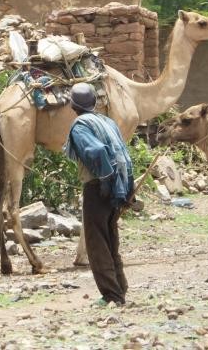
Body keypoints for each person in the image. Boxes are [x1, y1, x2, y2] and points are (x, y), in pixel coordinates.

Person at [63, 83, 134, 306]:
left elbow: (96, 151)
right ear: (94, 103)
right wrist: (127, 186)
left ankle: (111, 295)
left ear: (73, 106)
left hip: (98, 186)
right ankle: (119, 287)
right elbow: (123, 154)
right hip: (119, 184)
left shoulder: (80, 126)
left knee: (96, 242)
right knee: (111, 238)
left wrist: (104, 178)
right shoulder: (107, 122)